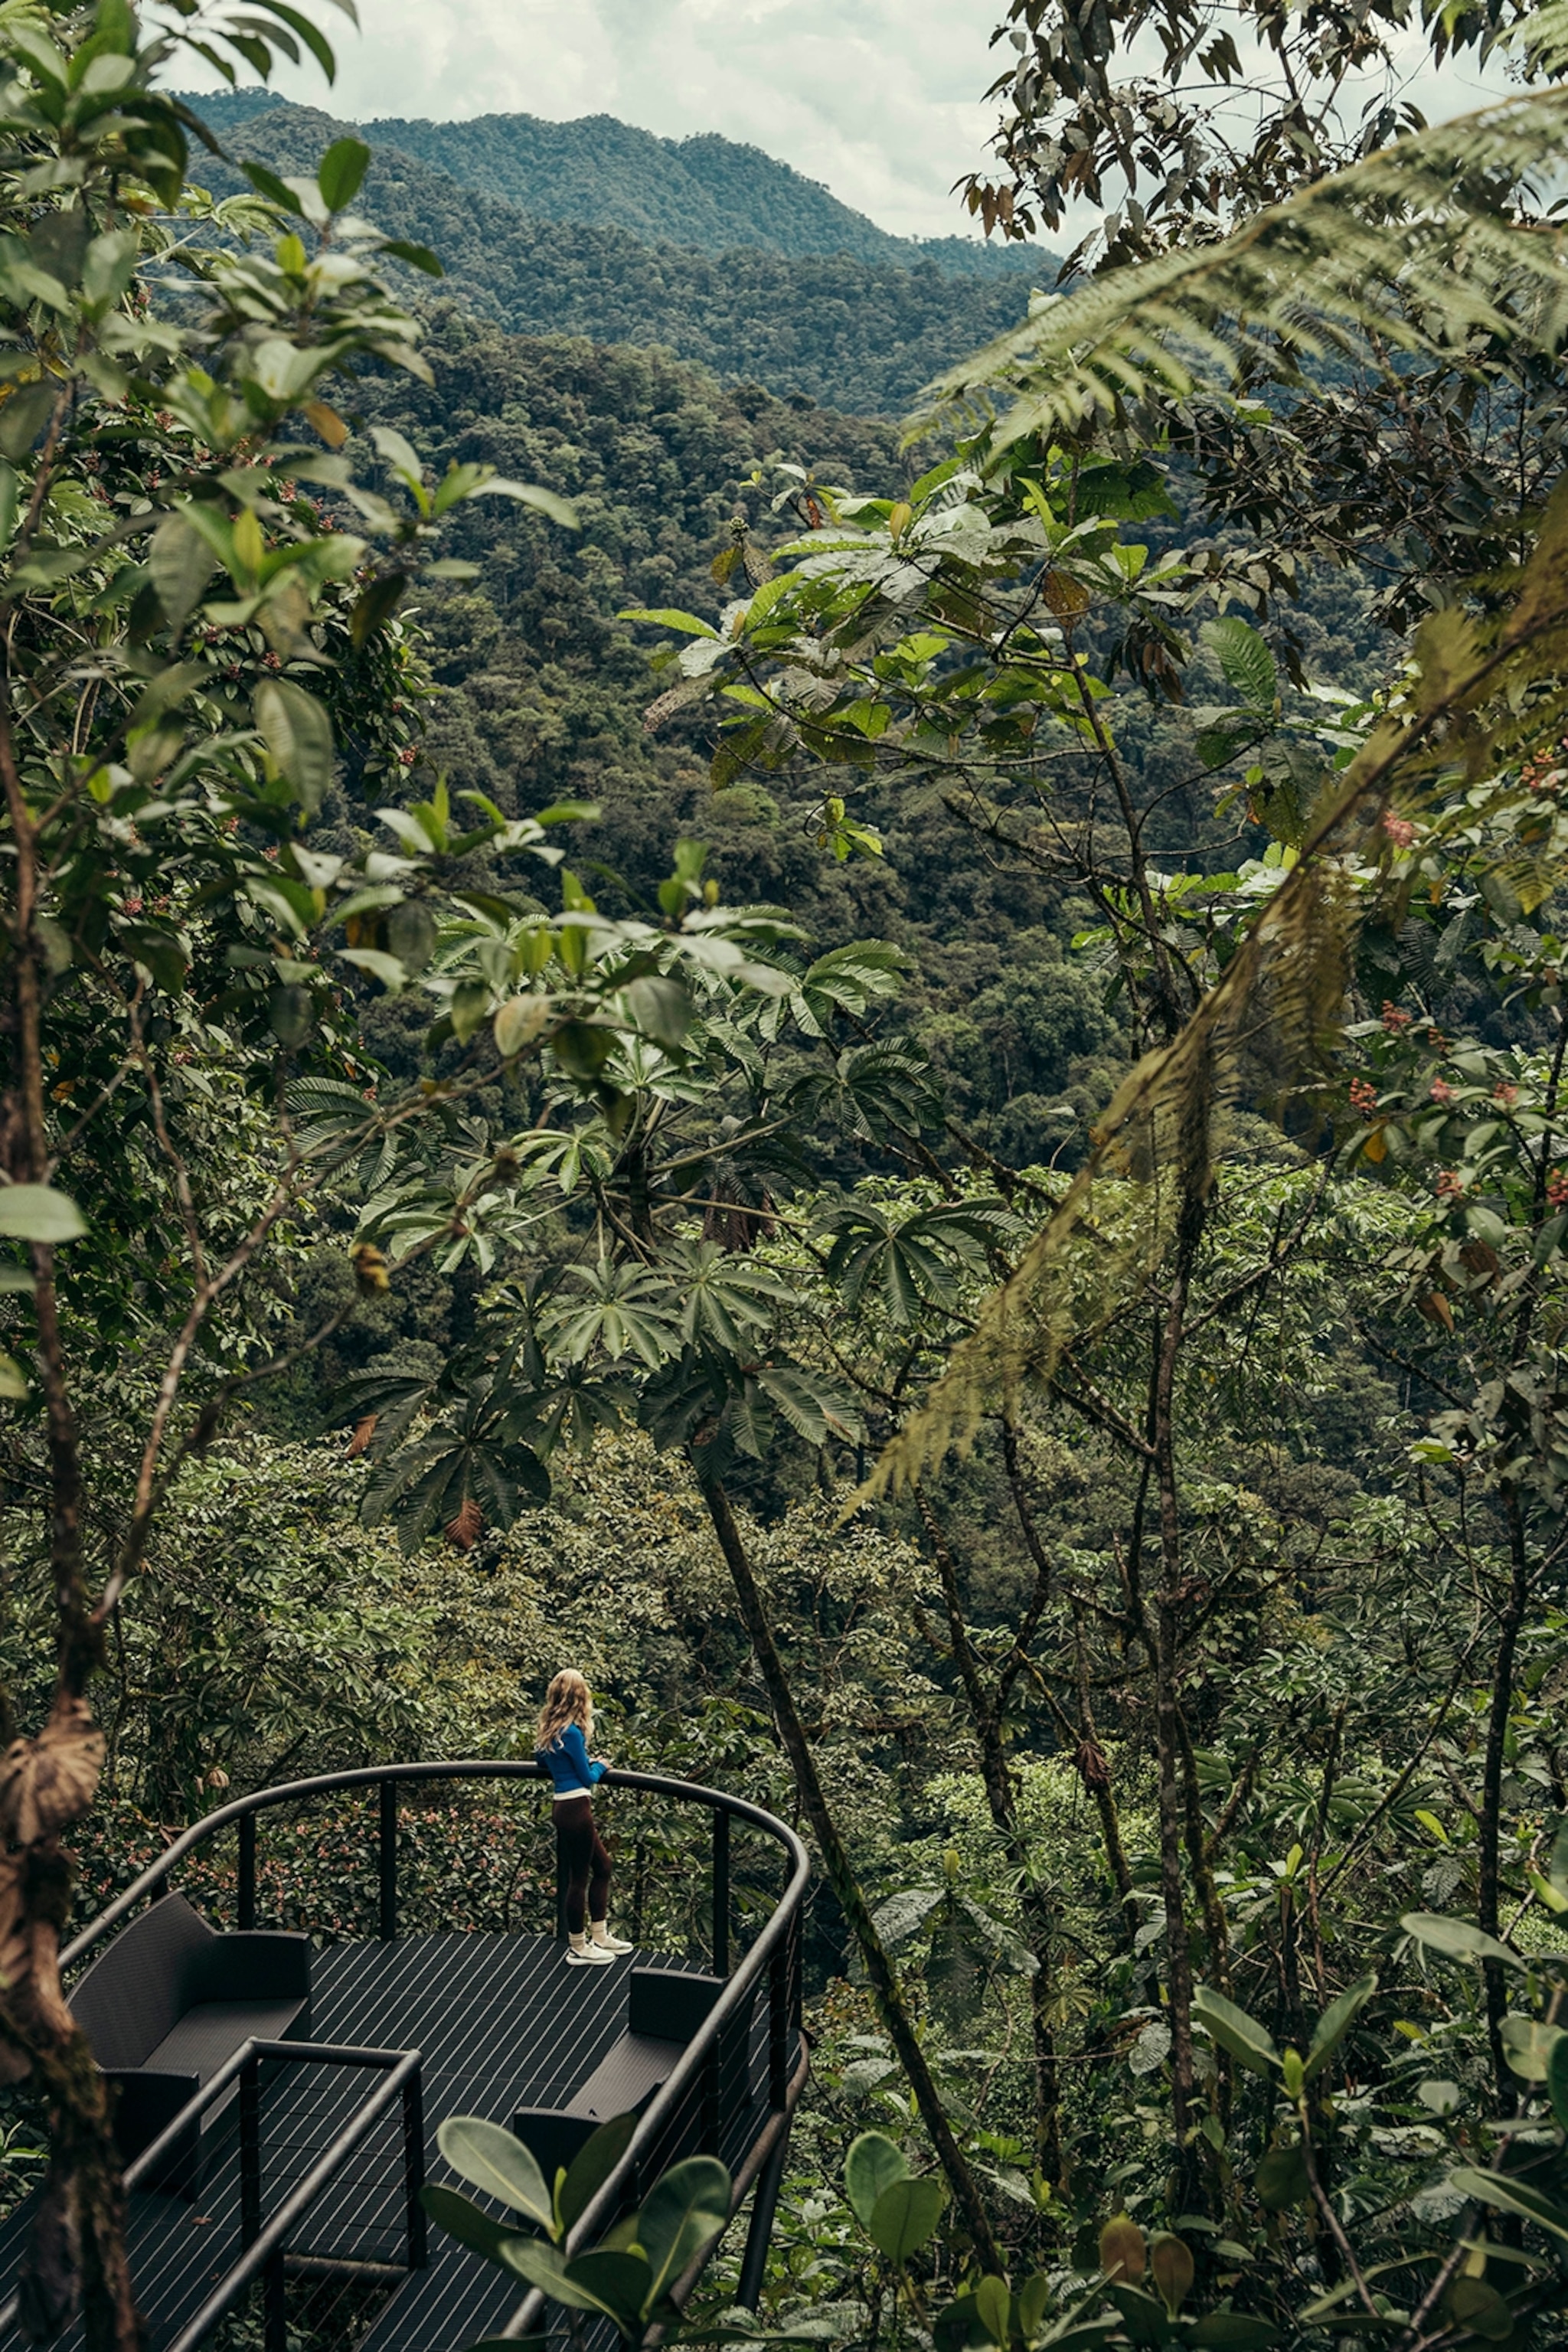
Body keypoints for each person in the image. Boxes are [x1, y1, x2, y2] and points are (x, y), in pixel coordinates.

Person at [535, 1669, 632, 1965]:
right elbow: (587, 1778)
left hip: (562, 1807)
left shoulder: (550, 1729)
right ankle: (578, 1946)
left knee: (603, 1866)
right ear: (580, 1697)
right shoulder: (573, 1732)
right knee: (578, 1879)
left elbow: (542, 1761)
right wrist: (601, 1764)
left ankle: (599, 1935)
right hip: (577, 1808)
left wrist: (577, 1762)